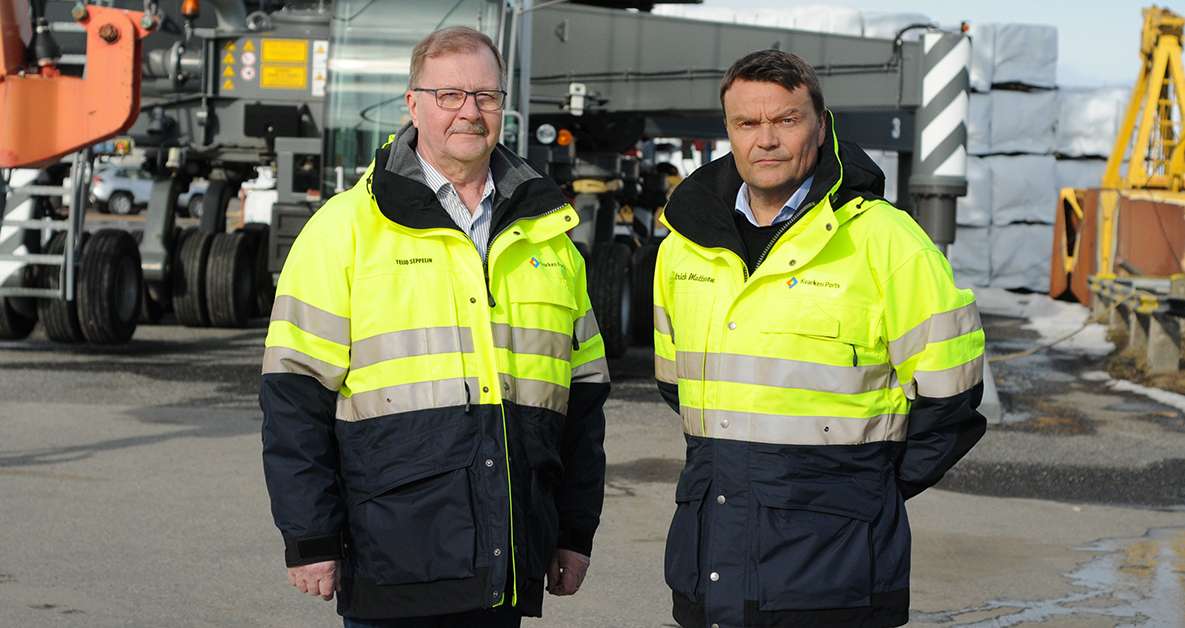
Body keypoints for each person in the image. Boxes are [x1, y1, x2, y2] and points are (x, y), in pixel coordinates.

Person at [260, 26, 609, 627]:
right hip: (392, 558)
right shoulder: (343, 229)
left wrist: (574, 532)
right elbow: (293, 398)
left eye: (486, 96)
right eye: (449, 95)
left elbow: (583, 407)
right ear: (413, 104)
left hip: (507, 563)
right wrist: (311, 536)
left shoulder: (552, 239)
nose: (469, 113)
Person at [652, 49, 987, 628]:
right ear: (728, 131)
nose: (767, 140)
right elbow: (677, 389)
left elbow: (951, 401)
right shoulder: (683, 247)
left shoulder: (887, 241)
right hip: (711, 562)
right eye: (747, 123)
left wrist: (859, 490)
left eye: (786, 119)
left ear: (821, 125)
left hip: (836, 577)